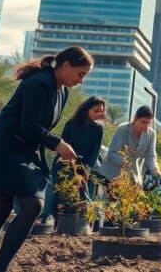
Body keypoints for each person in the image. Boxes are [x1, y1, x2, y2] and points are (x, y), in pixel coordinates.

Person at [0, 47, 92, 272]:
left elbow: (39, 129)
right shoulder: (39, 82)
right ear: (66, 65)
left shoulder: (62, 91)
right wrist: (58, 144)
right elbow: (29, 126)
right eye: (81, 73)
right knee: (15, 208)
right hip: (5, 147)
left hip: (25, 149)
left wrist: (59, 149)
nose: (81, 80)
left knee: (18, 209)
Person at [40, 96, 106, 226]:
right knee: (56, 188)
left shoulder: (99, 128)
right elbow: (63, 146)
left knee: (88, 187)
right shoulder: (71, 124)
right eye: (96, 111)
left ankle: (86, 221)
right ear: (87, 109)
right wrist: (74, 168)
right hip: (65, 161)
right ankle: (48, 217)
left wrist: (87, 168)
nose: (99, 114)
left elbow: (95, 150)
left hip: (85, 163)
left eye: (101, 111)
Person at [96, 105, 161, 185]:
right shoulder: (122, 129)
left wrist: (156, 172)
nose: (146, 126)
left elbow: (150, 157)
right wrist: (126, 163)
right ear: (135, 118)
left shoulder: (151, 134)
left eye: (148, 123)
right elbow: (112, 153)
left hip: (132, 178)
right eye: (143, 122)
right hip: (111, 174)